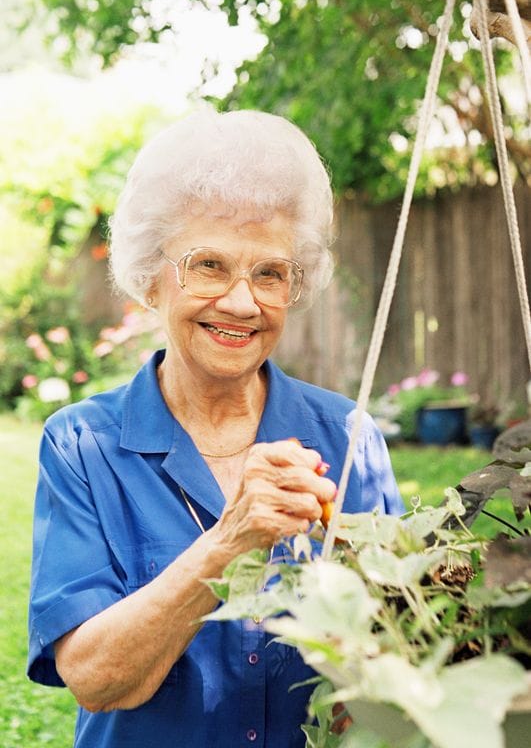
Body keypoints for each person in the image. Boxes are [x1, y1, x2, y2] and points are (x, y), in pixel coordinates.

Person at [28, 109, 404, 748]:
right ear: (151, 276)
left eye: (269, 273)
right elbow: (94, 678)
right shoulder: (82, 444)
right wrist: (229, 544)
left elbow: (392, 656)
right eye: (208, 265)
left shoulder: (348, 437)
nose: (241, 302)